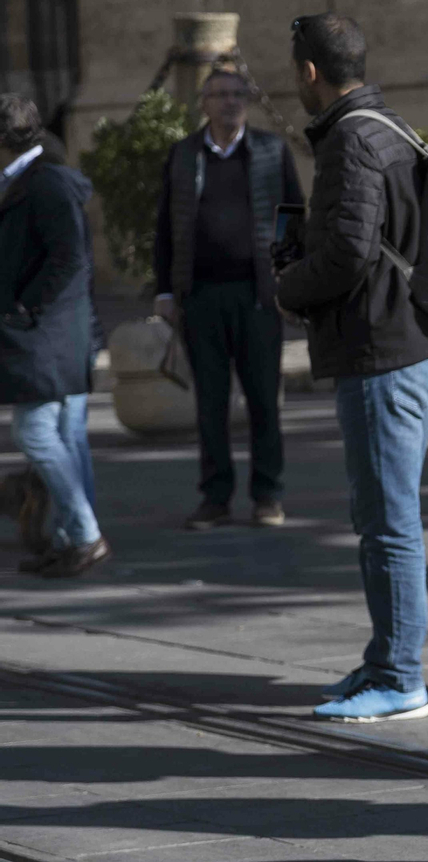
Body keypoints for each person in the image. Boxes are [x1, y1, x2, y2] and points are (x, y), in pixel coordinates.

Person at [275, 13, 428, 723]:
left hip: (382, 349)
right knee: (381, 512)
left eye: (295, 72)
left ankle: (401, 676)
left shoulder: (350, 139)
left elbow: (347, 252)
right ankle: (384, 659)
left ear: (309, 72)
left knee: (387, 520)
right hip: (406, 339)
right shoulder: (386, 126)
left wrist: (287, 285)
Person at [154, 68, 304, 530]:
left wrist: (288, 281)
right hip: (200, 298)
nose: (229, 102)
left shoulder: (270, 151)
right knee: (211, 405)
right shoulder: (183, 156)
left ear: (248, 101)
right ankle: (215, 498)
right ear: (203, 103)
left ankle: (267, 496)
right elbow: (164, 228)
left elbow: (291, 218)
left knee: (263, 400)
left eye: (238, 94)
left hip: (258, 296)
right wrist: (164, 291)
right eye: (219, 94)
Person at [0, 93, 108, 578]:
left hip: (50, 332)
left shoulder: (44, 184)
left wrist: (27, 307)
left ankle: (84, 535)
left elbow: (68, 258)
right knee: (67, 435)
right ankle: (69, 537)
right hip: (57, 331)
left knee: (34, 430)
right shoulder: (25, 180)